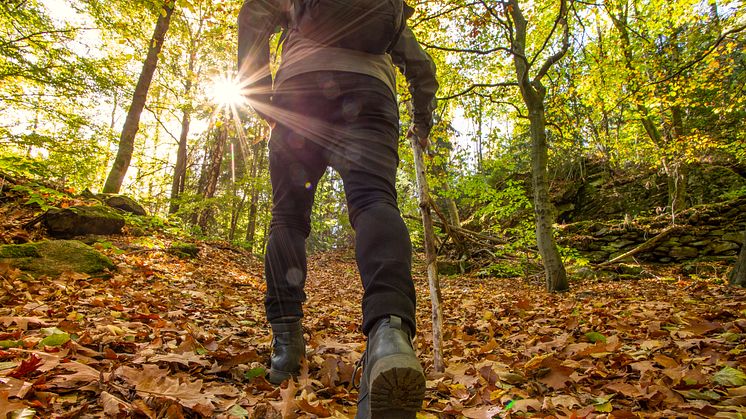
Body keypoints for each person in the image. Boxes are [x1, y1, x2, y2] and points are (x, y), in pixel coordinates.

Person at [237, 1, 438, 417]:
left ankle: (285, 348)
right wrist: (422, 119)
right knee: (374, 201)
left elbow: (255, 12)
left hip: (300, 91)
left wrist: (260, 95)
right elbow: (421, 68)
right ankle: (390, 333)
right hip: (370, 93)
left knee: (288, 218)